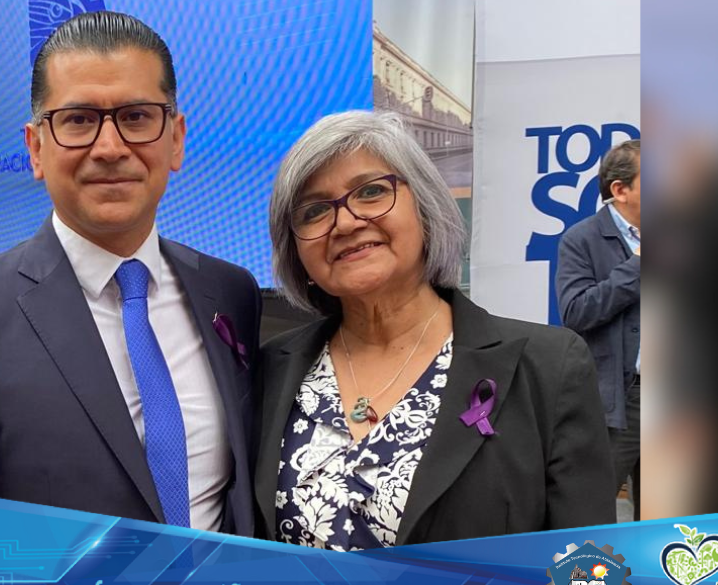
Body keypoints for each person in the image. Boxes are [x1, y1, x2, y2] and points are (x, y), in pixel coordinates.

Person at [0, 11, 261, 536]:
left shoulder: (230, 293)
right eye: (79, 120)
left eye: (136, 116)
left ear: (176, 139)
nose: (110, 148)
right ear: (36, 147)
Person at [253, 111, 614, 550]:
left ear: (425, 208)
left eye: (371, 191)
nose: (345, 223)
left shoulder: (548, 368)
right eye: (314, 211)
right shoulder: (270, 371)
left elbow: (589, 570)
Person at [556, 140, 641, 520]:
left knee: (671, 521)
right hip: (621, 399)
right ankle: (586, 569)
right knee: (590, 513)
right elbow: (576, 312)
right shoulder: (582, 239)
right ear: (620, 190)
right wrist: (637, 266)